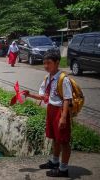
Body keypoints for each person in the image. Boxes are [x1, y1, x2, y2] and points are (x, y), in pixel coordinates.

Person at [23, 49, 73, 178]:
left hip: (60, 111)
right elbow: (42, 96)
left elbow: (67, 99)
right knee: (55, 138)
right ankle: (55, 162)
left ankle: (63, 169)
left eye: (49, 63)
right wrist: (29, 94)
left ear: (57, 63)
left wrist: (63, 118)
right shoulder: (47, 78)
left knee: (64, 141)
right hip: (51, 109)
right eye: (44, 63)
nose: (46, 66)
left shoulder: (63, 79)